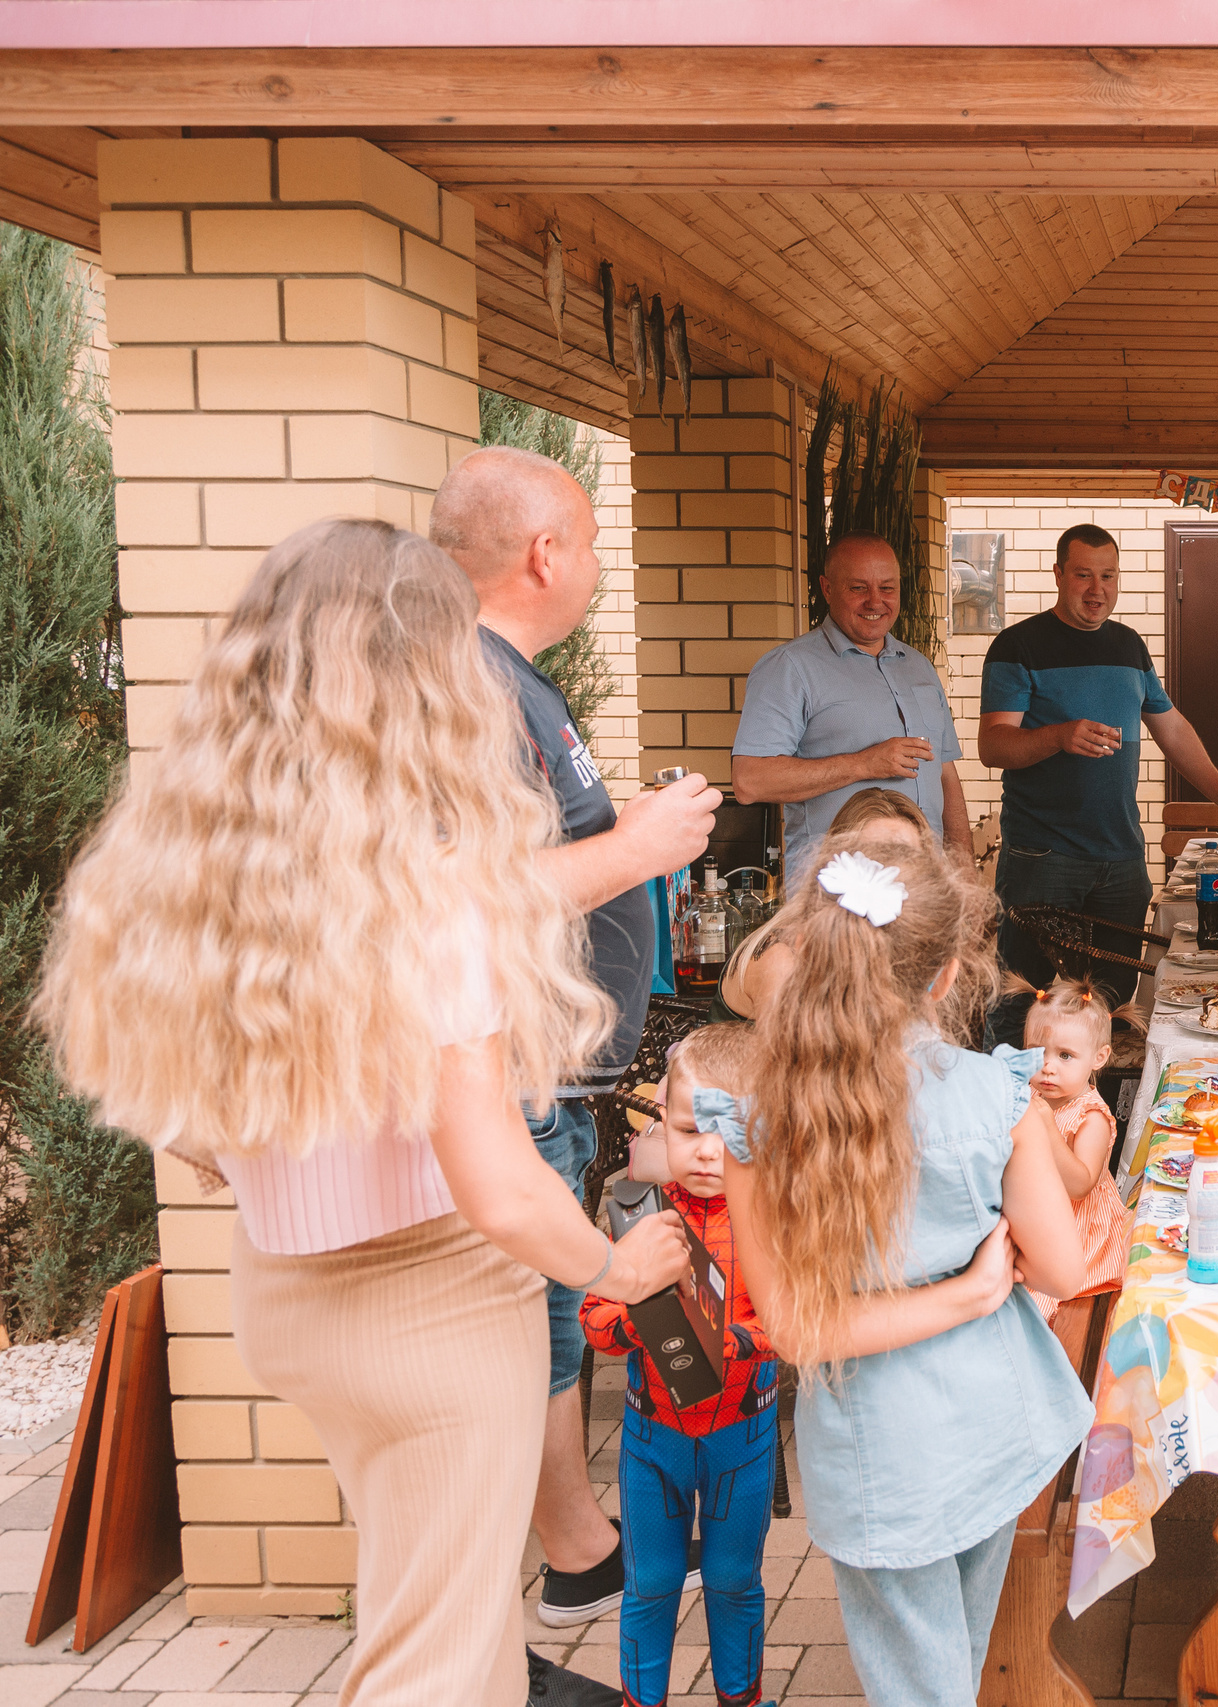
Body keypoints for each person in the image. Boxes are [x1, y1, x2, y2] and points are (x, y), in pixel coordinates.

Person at [36, 518, 696, 1707]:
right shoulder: (423, 898)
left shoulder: (190, 872)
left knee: (438, 1608)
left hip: (288, 1296)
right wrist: (617, 1267)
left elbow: (187, 1128)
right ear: (418, 682)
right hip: (434, 1308)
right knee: (430, 1663)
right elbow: (498, 1186)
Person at [429, 446, 722, 1632]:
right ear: (544, 553)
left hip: (544, 1067)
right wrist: (645, 848)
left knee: (547, 1326)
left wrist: (630, 826)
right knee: (539, 1321)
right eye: (595, 542)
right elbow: (470, 892)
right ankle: (573, 1554)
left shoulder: (509, 678)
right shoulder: (472, 688)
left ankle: (579, 1549)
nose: (601, 566)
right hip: (503, 1072)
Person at [720, 824, 1092, 1707]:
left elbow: (798, 1327)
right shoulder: (994, 1094)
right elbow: (1066, 1268)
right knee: (950, 1664)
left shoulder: (759, 1124)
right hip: (996, 1415)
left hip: (879, 1452)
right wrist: (970, 1290)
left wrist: (964, 1294)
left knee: (925, 1682)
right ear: (945, 974)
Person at [978, 524, 1218, 1040]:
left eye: (1108, 576)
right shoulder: (1017, 645)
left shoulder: (1129, 646)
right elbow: (994, 746)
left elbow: (1173, 730)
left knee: (1109, 1010)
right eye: (1083, 575)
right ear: (1059, 575)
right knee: (1024, 1001)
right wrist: (1058, 736)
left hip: (1121, 860)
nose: (1097, 589)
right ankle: (1012, 1113)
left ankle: (1097, 1116)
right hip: (1044, 859)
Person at [581, 1024, 774, 1707]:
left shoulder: (775, 1218)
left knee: (733, 1581)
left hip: (740, 1438)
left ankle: (741, 1698)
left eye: (731, 1132)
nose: (709, 1151)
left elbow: (798, 1319)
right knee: (651, 1584)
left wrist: (736, 1341)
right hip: (653, 1438)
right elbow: (594, 1320)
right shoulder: (638, 1212)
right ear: (661, 1119)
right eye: (692, 1130)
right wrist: (640, 1317)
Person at [732, 533, 971, 882]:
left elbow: (946, 774)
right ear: (827, 589)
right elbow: (749, 781)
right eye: (859, 588)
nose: (875, 601)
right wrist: (864, 763)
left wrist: (964, 874)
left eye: (887, 588)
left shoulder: (918, 667)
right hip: (837, 893)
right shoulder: (790, 667)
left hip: (924, 886)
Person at [1016, 976, 1133, 1317]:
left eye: (1065, 1055)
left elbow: (1081, 1185)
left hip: (1078, 1229)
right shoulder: (1031, 1097)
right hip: (1036, 1217)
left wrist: (1047, 1129)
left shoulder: (1091, 1115)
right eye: (1037, 1053)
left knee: (1036, 1302)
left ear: (1098, 1057)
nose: (1047, 1067)